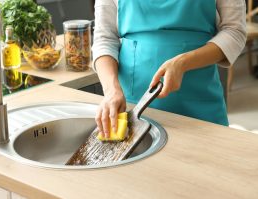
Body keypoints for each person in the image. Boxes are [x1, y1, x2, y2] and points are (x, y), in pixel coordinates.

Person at [92, 0, 247, 138]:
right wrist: (111, 90)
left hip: (200, 107)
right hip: (134, 107)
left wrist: (183, 62)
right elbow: (105, 38)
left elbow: (234, 32)